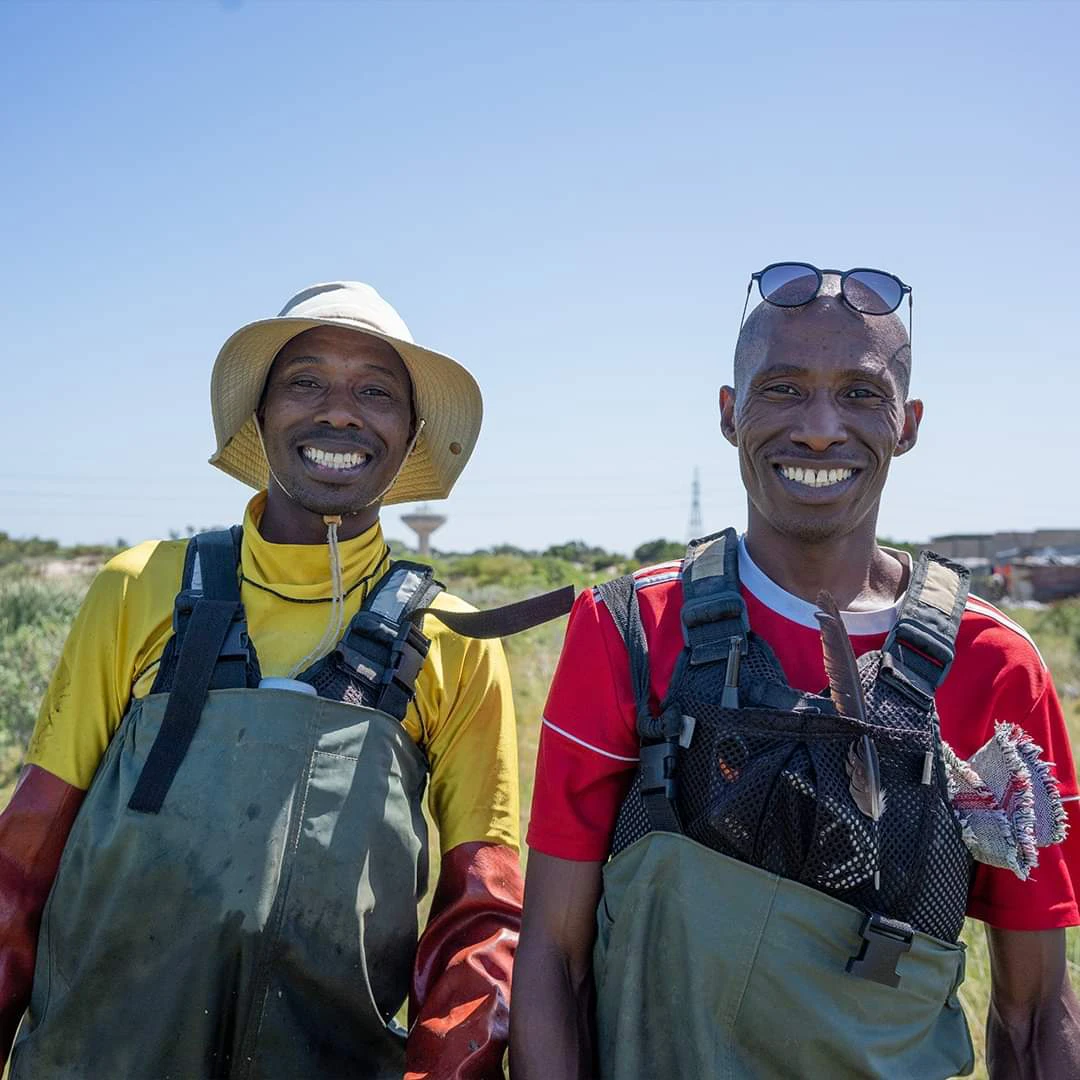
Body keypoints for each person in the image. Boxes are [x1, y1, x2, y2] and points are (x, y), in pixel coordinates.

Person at [512, 264, 1080, 1079]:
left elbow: (1033, 1013)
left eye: (860, 393)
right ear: (728, 412)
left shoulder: (996, 665)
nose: (819, 429)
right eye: (782, 389)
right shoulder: (631, 628)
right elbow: (553, 958)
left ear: (908, 423)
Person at [0, 281, 525, 1079]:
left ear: (412, 432)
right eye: (305, 381)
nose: (340, 413)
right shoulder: (139, 587)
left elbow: (479, 921)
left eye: (377, 391)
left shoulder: (453, 639)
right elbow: (22, 867)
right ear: (259, 414)